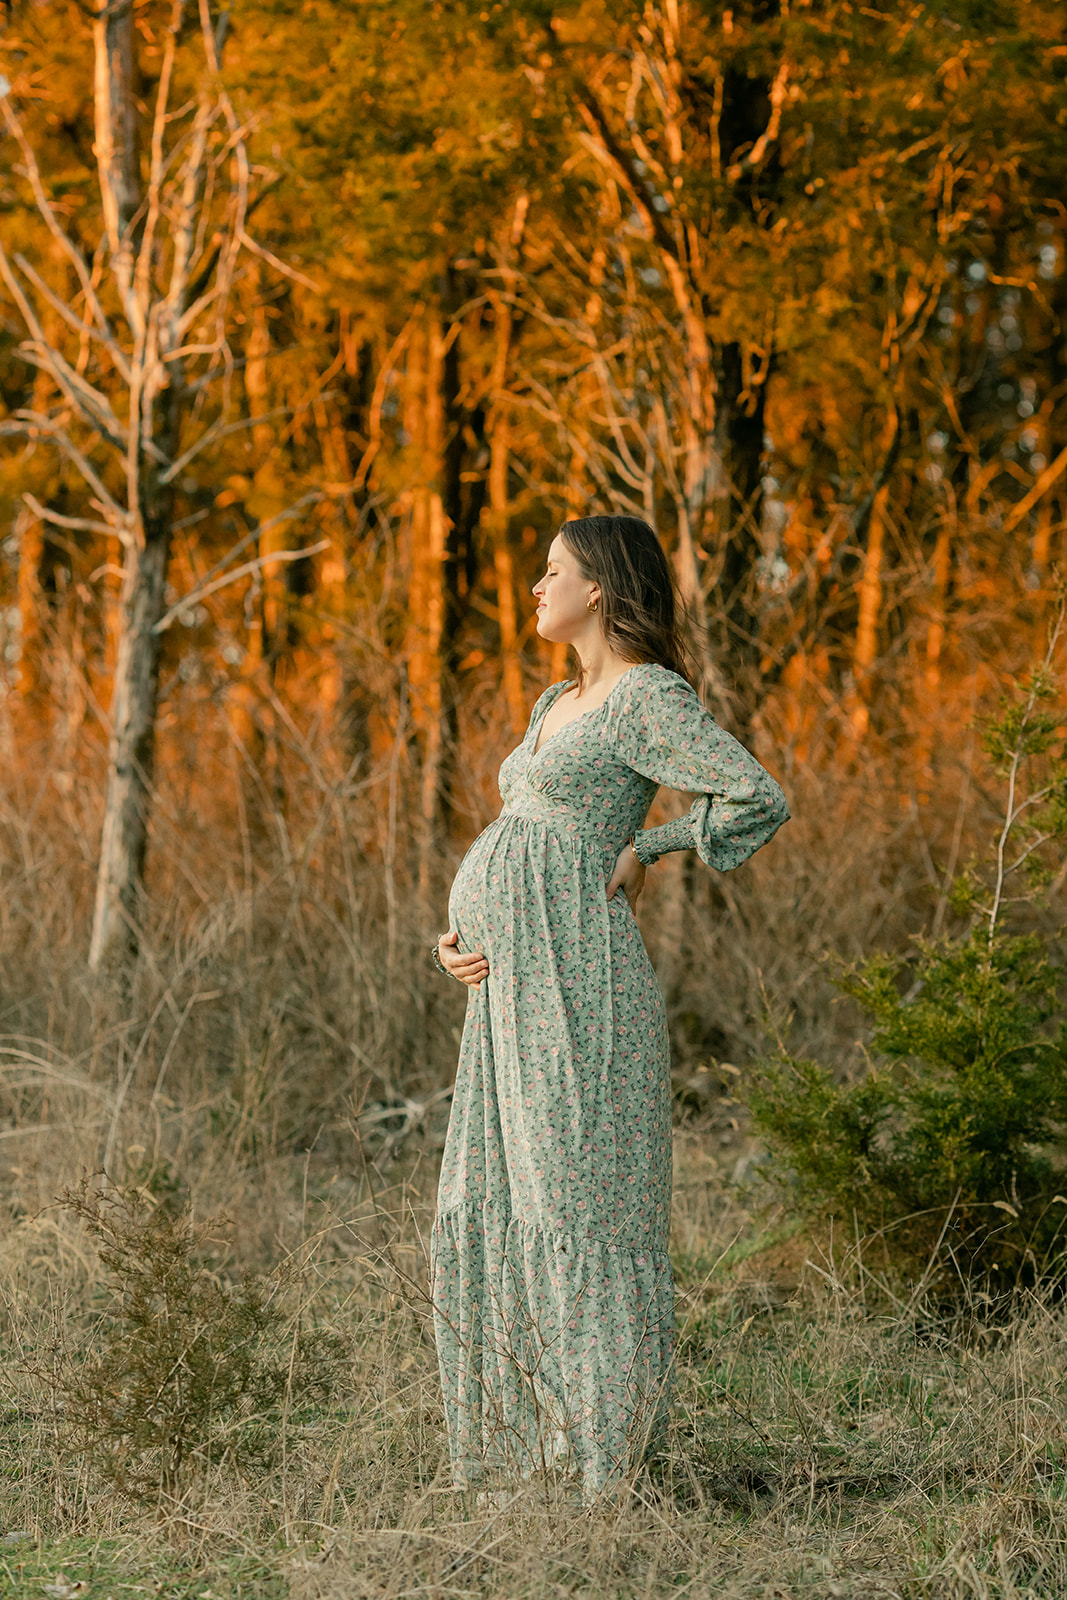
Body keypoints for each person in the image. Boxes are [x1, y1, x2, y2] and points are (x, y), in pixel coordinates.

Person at [429, 514, 789, 1502]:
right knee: (496, 1201)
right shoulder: (558, 698)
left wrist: (655, 845)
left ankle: (606, 1474)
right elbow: (518, 831)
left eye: (551, 571)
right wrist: (455, 937)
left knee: (575, 1209)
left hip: (580, 985)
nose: (533, 587)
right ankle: (534, 1450)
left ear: (598, 588)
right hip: (507, 994)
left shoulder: (643, 697)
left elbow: (756, 796)